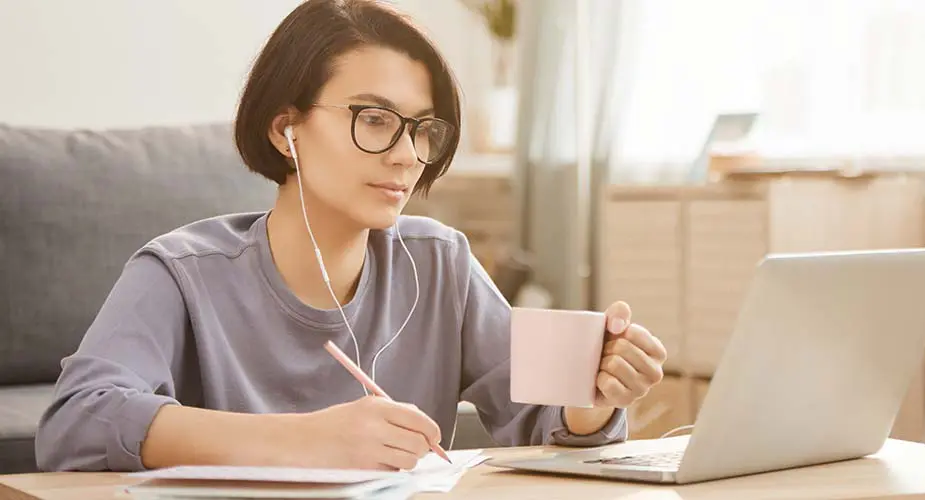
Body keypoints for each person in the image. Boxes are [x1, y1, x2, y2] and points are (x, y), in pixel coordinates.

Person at [35, 0, 667, 473]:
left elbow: (540, 424)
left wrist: (594, 396)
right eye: (373, 119)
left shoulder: (440, 263)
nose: (406, 156)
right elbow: (77, 421)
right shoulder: (180, 272)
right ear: (287, 129)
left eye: (422, 129)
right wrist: (306, 441)